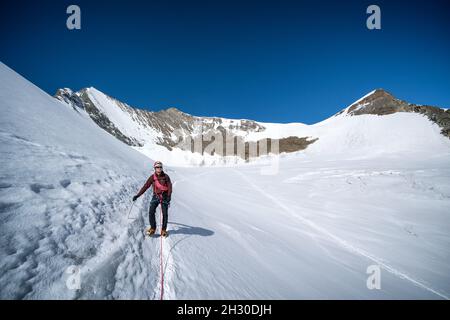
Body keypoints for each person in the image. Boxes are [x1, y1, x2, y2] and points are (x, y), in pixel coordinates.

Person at [132, 161, 172, 237]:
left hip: (165, 196)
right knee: (151, 211)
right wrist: (138, 195)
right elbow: (146, 186)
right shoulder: (152, 177)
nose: (159, 169)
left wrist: (169, 196)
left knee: (165, 213)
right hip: (156, 196)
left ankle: (163, 230)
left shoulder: (166, 177)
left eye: (160, 167)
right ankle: (153, 228)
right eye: (157, 167)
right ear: (155, 168)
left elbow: (170, 187)